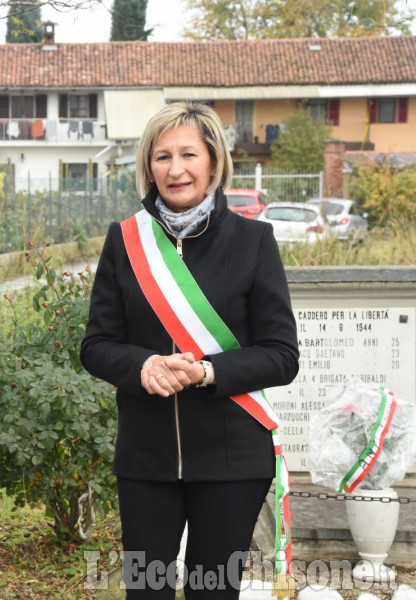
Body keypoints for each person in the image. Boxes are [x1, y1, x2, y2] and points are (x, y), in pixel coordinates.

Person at [80, 102, 299, 599]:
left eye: (188, 154)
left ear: (214, 163)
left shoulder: (254, 241)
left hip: (232, 462)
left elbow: (282, 355)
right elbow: (96, 345)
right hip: (146, 458)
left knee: (212, 593)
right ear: (148, 168)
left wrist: (205, 372)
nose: (175, 169)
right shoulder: (125, 241)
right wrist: (144, 365)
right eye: (161, 157)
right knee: (147, 592)